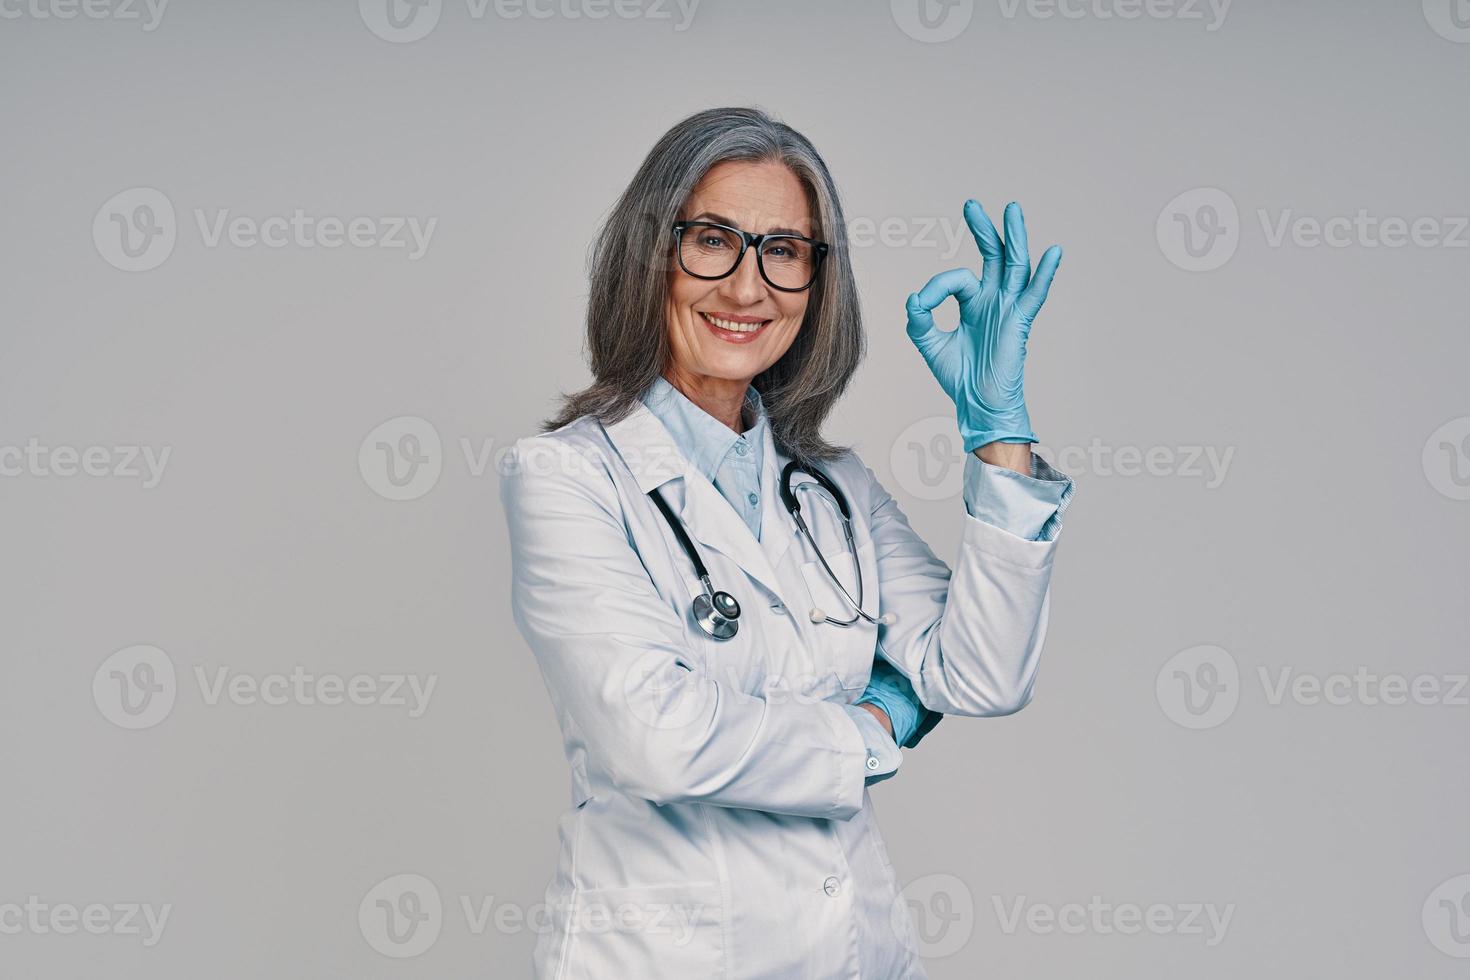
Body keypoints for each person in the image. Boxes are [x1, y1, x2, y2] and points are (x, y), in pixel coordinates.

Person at [499, 105, 1074, 979]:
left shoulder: (833, 488)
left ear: (815, 281)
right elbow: (659, 740)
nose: (745, 287)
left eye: (782, 250)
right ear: (650, 254)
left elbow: (983, 673)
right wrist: (873, 732)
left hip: (856, 956)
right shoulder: (565, 478)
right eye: (712, 240)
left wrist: (1000, 434)